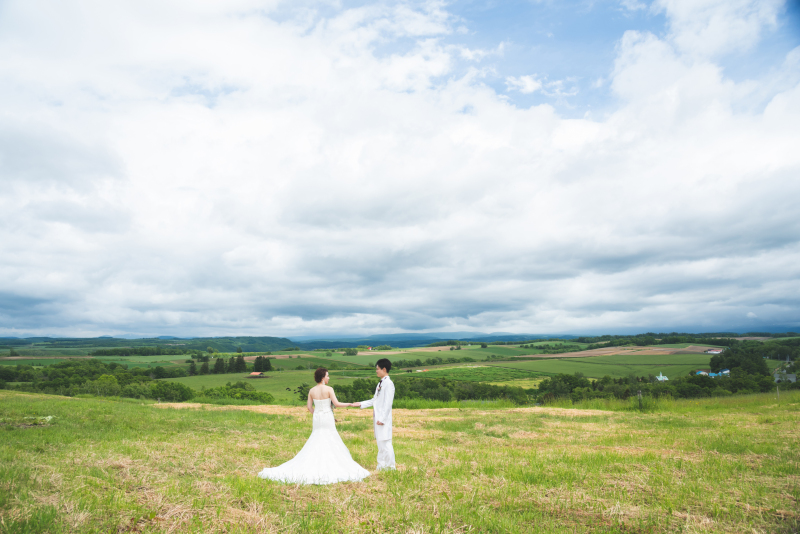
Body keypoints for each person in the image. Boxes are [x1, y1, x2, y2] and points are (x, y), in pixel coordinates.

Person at [257, 368, 369, 485]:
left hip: (317, 418)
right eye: (327, 375)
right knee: (330, 437)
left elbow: (309, 408)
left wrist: (316, 413)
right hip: (327, 417)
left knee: (317, 437)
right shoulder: (329, 389)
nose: (328, 377)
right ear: (322, 377)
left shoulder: (311, 391)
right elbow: (336, 404)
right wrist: (350, 404)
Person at [353, 358, 395, 470]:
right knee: (380, 444)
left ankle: (390, 467)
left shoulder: (389, 384)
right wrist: (360, 404)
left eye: (377, 369)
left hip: (382, 419)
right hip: (377, 418)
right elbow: (374, 400)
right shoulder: (380, 383)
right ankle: (381, 466)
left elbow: (388, 403)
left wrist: (382, 419)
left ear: (384, 369)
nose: (376, 371)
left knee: (386, 443)